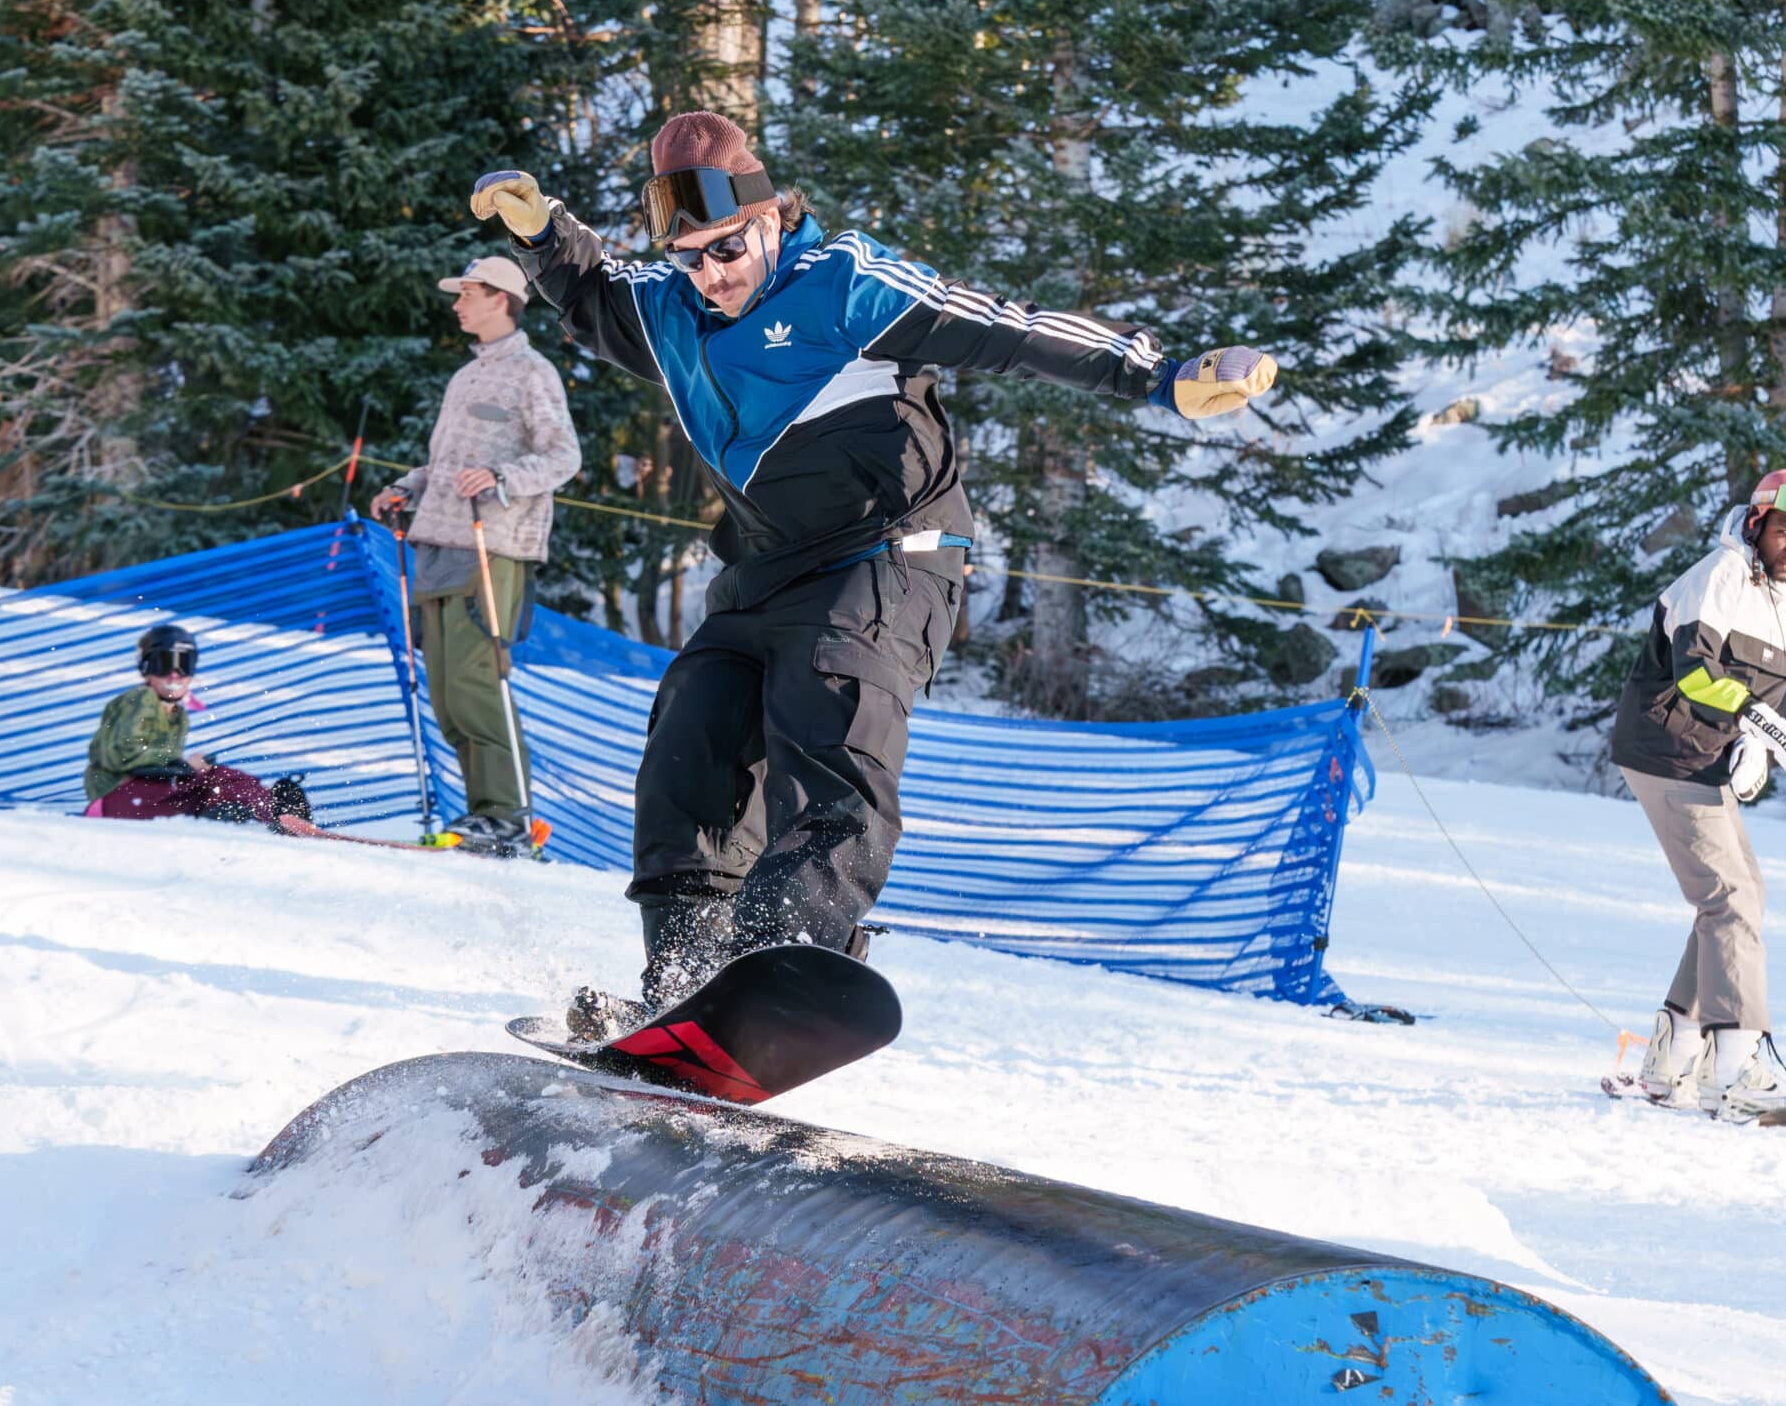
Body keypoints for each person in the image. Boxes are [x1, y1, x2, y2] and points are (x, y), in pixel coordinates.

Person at [469, 112, 1278, 1026]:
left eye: (728, 247)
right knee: (690, 739)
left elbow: (1009, 331)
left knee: (830, 715)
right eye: (691, 255)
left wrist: (1162, 372)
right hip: (766, 567)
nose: (714, 273)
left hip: (891, 552)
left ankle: (779, 964)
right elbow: (594, 288)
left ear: (770, 216)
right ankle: (683, 993)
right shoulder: (669, 308)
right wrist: (541, 231)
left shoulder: (845, 285)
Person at [1608, 468, 1786, 1122]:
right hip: (1666, 749)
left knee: (1740, 897)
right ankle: (1735, 1066)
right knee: (1728, 899)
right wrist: (1759, 725)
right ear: (1759, 524)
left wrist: (1753, 741)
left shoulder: (1783, 596)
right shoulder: (1724, 571)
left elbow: (1758, 692)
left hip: (1703, 756)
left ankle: (1673, 1056)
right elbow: (1695, 671)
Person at [369, 256, 581, 856]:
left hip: (492, 548)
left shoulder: (531, 372)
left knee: (475, 685)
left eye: (468, 294)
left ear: (502, 299)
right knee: (446, 693)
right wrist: (407, 487)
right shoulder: (467, 377)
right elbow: (445, 468)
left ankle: (507, 818)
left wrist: (501, 478)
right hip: (436, 544)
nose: (458, 304)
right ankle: (482, 817)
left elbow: (564, 456)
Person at [85, 624, 328, 836]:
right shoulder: (141, 698)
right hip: (119, 798)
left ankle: (255, 814)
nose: (174, 674)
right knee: (217, 778)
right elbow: (126, 752)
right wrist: (184, 766)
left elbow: (152, 762)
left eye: (184, 665)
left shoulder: (176, 715)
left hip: (141, 800)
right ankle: (272, 813)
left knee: (214, 782)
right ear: (146, 667)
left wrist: (182, 768)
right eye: (165, 664)